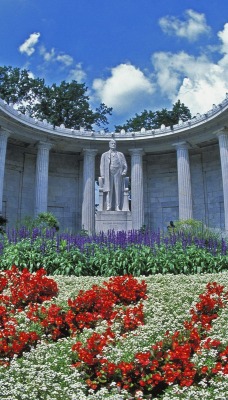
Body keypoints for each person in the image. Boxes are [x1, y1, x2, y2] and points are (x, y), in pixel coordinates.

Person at [100, 139, 127, 211]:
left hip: (118, 173)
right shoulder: (104, 155)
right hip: (108, 174)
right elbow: (102, 165)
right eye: (112, 143)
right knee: (109, 190)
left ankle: (117, 206)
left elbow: (125, 165)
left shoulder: (120, 154)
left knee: (117, 190)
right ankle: (109, 206)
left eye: (114, 143)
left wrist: (124, 171)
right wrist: (102, 175)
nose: (113, 144)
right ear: (109, 145)